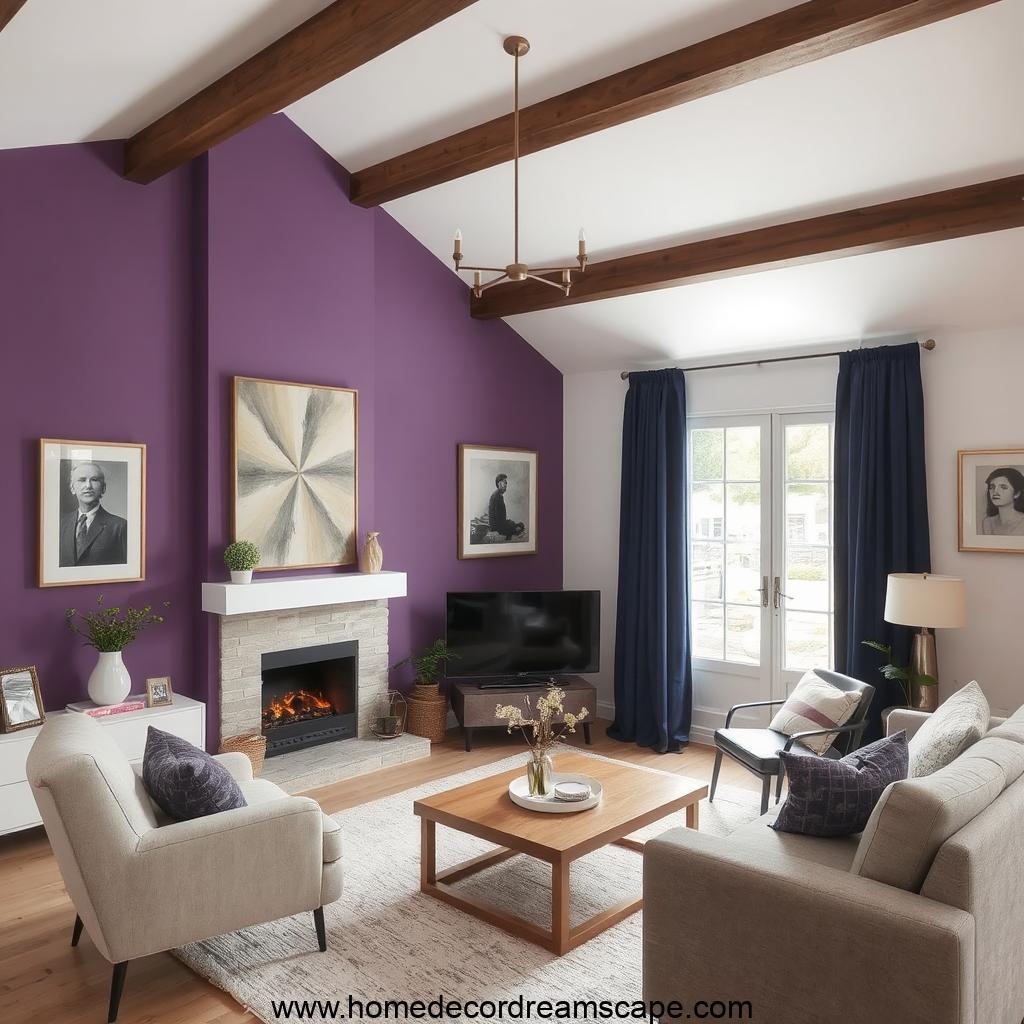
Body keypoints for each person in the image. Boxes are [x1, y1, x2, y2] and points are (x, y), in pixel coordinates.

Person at [58, 462, 129, 566]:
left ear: (103, 488)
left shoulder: (120, 527)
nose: (88, 486)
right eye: (82, 480)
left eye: (94, 480)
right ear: (72, 488)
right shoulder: (60, 523)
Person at [981, 467, 1024, 537]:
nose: (995, 492)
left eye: (1003, 487)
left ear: (1017, 494)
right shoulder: (987, 523)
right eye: (992, 487)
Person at [487, 473, 524, 541]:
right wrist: (509, 524)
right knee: (519, 526)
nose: (506, 485)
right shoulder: (496, 497)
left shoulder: (498, 495)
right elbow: (498, 519)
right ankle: (513, 533)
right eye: (505, 482)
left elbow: (500, 515)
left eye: (506, 483)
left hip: (499, 523)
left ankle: (513, 530)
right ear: (499, 484)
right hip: (497, 526)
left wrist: (508, 522)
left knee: (516, 524)